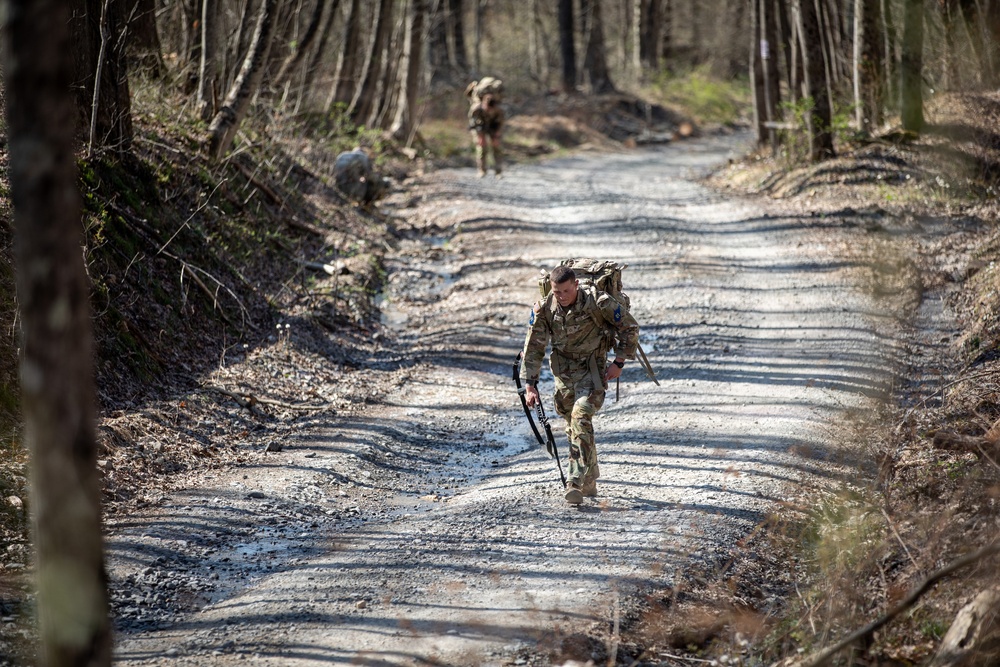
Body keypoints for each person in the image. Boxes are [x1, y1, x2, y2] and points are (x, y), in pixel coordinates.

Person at [520, 265, 640, 505]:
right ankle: (590, 479)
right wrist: (530, 385)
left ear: (576, 285)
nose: (562, 296)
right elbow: (534, 346)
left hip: (592, 371)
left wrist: (619, 362)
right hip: (564, 376)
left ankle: (574, 481)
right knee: (575, 427)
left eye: (566, 291)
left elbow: (630, 327)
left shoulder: (598, 302)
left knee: (580, 416)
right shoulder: (545, 308)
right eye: (557, 292)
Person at [468, 91, 504, 178]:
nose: (489, 110)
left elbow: (500, 123)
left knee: (496, 147)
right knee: (481, 147)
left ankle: (498, 171)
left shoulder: (498, 110)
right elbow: (473, 124)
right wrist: (479, 136)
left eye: (491, 109)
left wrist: (497, 134)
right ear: (484, 104)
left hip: (493, 126)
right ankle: (481, 170)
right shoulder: (476, 109)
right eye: (487, 108)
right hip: (480, 127)